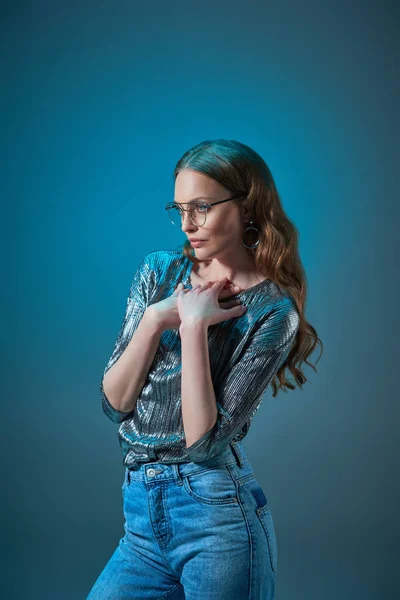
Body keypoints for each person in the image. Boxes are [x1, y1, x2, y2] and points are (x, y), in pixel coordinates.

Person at [87, 139, 322, 599]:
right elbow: (114, 404)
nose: (187, 225)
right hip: (140, 516)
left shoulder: (272, 313)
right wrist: (157, 318)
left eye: (201, 207)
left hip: (216, 518)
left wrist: (194, 326)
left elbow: (203, 445)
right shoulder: (159, 272)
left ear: (247, 205)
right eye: (178, 209)